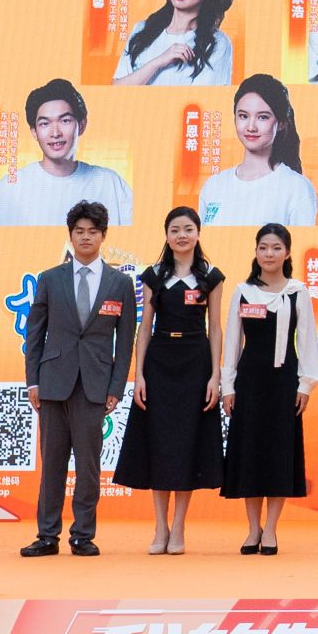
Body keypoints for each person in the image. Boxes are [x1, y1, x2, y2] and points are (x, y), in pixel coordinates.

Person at [20, 201, 137, 557]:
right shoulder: (50, 278)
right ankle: (47, 535)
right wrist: (33, 382)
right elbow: (34, 334)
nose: (86, 237)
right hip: (53, 383)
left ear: (103, 236)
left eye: (93, 231)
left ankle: (83, 535)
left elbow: (125, 341)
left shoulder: (120, 283)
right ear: (70, 236)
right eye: (79, 231)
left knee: (88, 465)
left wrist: (116, 387)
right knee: (52, 463)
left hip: (95, 385)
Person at [113, 207, 225, 554]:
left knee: (187, 444)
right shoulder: (154, 275)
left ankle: (178, 528)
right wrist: (139, 375)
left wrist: (215, 376)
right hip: (159, 362)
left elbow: (216, 328)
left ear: (198, 233)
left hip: (196, 363)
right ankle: (160, 527)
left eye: (188, 229)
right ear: (166, 235)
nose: (181, 235)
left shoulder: (211, 276)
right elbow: (144, 328)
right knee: (159, 444)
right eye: (175, 230)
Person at [221, 224, 318, 554]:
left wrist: (305, 384)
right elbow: (232, 341)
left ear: (287, 253)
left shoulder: (298, 291)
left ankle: (272, 529)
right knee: (250, 453)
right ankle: (253, 529)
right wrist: (227, 386)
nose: (269, 254)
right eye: (263, 247)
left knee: (279, 454)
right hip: (249, 382)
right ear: (255, 252)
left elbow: (307, 341)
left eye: (276, 248)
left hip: (284, 383)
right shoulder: (243, 291)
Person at [0, 79, 133, 226]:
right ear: (34, 132)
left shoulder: (110, 183)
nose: (55, 133)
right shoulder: (10, 188)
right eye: (44, 124)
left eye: (65, 120)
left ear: (82, 125)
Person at [200, 74, 318, 226]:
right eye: (243, 116)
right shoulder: (213, 185)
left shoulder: (298, 188)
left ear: (281, 123)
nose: (251, 127)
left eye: (262, 117)